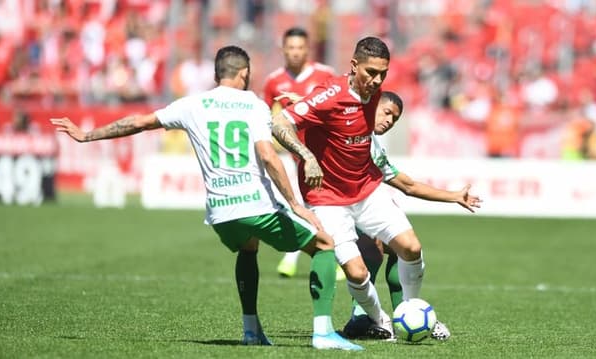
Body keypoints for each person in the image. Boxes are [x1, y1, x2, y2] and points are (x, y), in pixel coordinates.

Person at [50, 45, 362, 351]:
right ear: (244, 73)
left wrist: (86, 135)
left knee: (248, 247)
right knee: (324, 243)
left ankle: (251, 331)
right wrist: (296, 205)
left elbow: (140, 122)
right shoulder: (252, 104)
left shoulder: (192, 104)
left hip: (220, 212)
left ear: (216, 74)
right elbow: (268, 156)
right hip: (255, 204)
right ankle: (323, 334)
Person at [270, 36, 441, 340]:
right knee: (358, 272)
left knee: (411, 247)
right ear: (353, 66)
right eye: (370, 72)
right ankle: (383, 322)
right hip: (327, 199)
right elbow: (280, 124)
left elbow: (334, 123)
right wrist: (307, 156)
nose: (376, 81)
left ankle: (411, 309)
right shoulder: (331, 94)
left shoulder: (371, 95)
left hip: (365, 190)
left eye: (382, 74)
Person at [341, 91, 482, 340]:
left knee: (402, 247)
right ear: (373, 106)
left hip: (361, 203)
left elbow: (408, 185)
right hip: (334, 204)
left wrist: (454, 196)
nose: (389, 121)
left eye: (394, 119)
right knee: (373, 247)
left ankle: (406, 313)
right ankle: (360, 318)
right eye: (386, 113)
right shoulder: (346, 125)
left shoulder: (373, 144)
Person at [261, 26, 339, 279]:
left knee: (322, 202)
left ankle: (298, 255)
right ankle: (335, 257)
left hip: (325, 148)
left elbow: (336, 107)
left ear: (307, 49)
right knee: (314, 202)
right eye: (291, 47)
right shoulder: (274, 81)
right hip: (297, 151)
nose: (295, 52)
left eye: (300, 48)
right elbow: (266, 115)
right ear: (283, 49)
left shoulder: (325, 75)